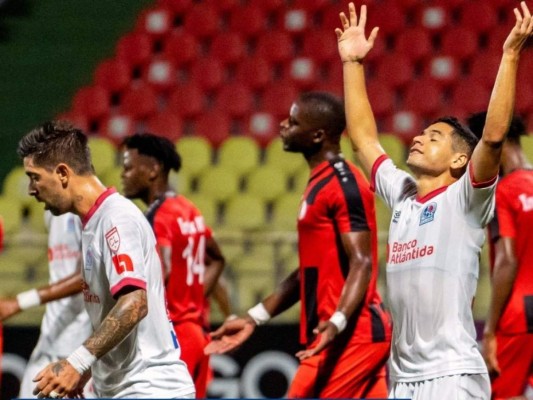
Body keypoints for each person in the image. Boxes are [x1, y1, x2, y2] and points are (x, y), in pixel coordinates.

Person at [335, 2, 533, 398]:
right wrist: (353, 65)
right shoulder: (403, 195)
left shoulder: (466, 201)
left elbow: (492, 138)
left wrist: (510, 56)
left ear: (461, 158)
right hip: (403, 379)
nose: (418, 138)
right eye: (421, 133)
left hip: (451, 376)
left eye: (434, 137)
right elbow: (363, 140)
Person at [205, 91, 392, 398]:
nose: (282, 126)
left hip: (350, 336)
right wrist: (254, 318)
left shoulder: (344, 184)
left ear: (317, 135)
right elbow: (308, 272)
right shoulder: (320, 180)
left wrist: (336, 322)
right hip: (338, 334)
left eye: (293, 122)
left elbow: (362, 261)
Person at [17, 121, 195, 398]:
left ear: (63, 173)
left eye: (34, 176)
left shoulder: (116, 219)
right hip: (121, 388)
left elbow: (135, 303)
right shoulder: (94, 223)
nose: (31, 189)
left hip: (150, 389)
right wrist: (87, 371)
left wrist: (77, 362)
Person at [120, 132, 225, 398]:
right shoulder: (188, 209)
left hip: (172, 339)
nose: (123, 174)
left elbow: (161, 272)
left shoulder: (156, 217)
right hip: (197, 334)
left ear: (153, 169)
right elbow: (217, 260)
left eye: (129, 167)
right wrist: (193, 300)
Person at [467, 112, 533, 399]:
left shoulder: (501, 194)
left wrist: (490, 330)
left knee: (501, 393)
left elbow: (507, 260)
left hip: (519, 313)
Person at [0, 212, 95, 397]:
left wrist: (20, 302)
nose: (31, 188)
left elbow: (89, 274)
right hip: (50, 336)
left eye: (36, 180)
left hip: (79, 342)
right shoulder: (50, 213)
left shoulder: (88, 211)